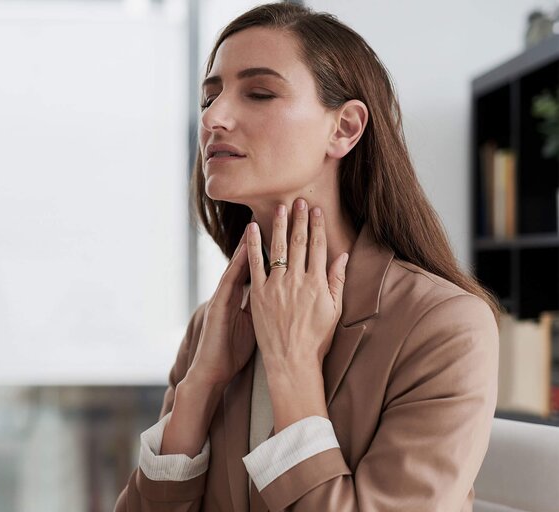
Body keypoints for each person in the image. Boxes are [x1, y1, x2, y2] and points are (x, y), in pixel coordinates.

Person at [114, 3, 501, 511]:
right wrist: (199, 388)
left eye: (259, 92)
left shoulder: (444, 328)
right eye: (210, 98)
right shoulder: (212, 327)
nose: (213, 118)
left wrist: (292, 367)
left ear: (344, 128)